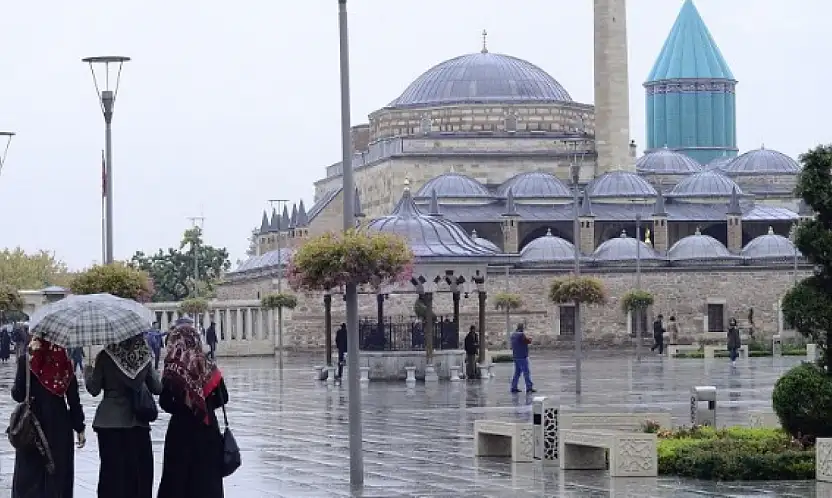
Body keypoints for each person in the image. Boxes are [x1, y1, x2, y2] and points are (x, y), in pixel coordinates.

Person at [157, 318, 228, 498]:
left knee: (178, 481)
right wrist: (205, 406)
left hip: (181, 431)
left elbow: (165, 402)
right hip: (207, 429)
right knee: (206, 480)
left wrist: (183, 407)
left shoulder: (173, 368)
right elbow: (223, 397)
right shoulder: (209, 366)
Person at [84, 334, 162, 498]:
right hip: (137, 422)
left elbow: (94, 389)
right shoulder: (143, 355)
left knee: (111, 472)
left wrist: (88, 371)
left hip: (108, 422)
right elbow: (157, 388)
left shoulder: (106, 355)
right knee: (137, 473)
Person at [12, 338, 86, 498]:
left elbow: (18, 395)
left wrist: (27, 361)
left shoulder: (27, 360)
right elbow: (73, 400)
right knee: (57, 473)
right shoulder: (65, 362)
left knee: (30, 474)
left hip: (32, 425)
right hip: (59, 425)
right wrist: (79, 427)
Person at [510, 323, 535, 393]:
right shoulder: (521, 335)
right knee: (526, 372)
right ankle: (529, 387)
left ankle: (513, 387)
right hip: (522, 356)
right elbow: (526, 341)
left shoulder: (513, 335)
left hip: (516, 356)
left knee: (517, 373)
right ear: (522, 328)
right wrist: (530, 339)